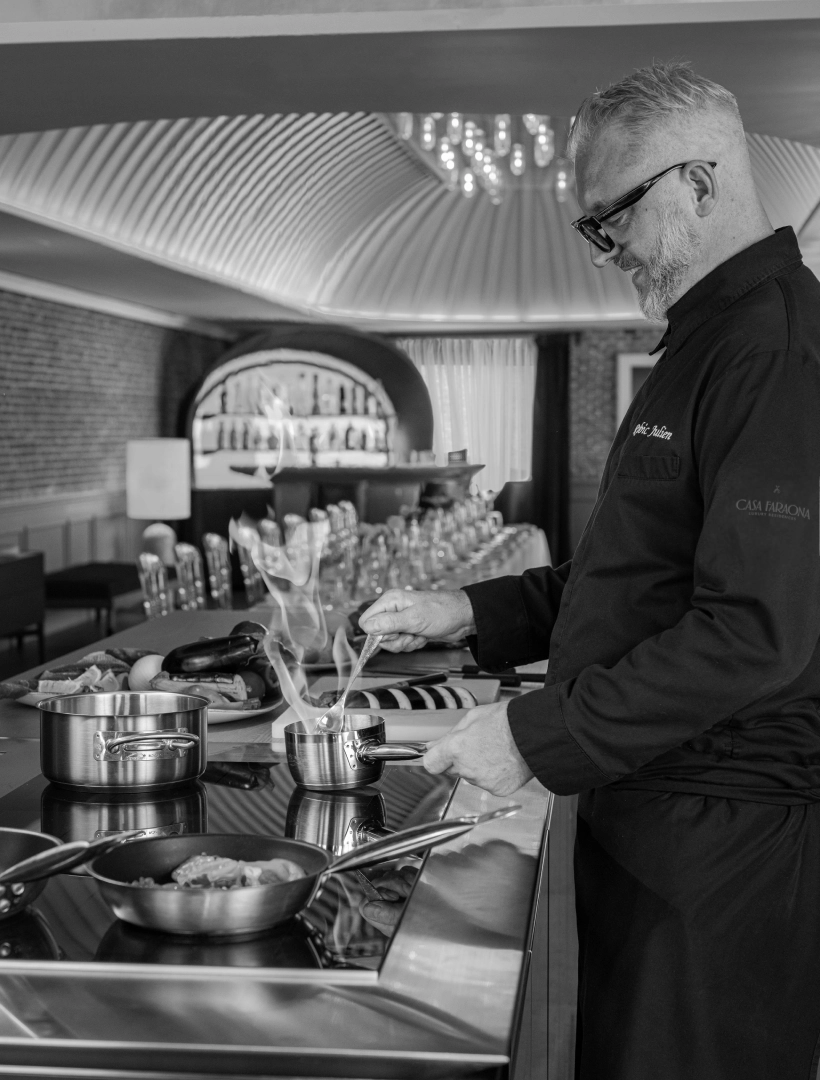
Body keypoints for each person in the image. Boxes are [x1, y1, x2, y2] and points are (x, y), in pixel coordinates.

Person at [359, 61, 820, 1080]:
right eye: (591, 227)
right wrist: (461, 610)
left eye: (617, 216)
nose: (608, 251)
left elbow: (754, 631)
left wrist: (530, 733)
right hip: (646, 805)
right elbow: (629, 575)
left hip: (725, 833)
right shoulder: (704, 342)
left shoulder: (775, 348)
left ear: (700, 183)